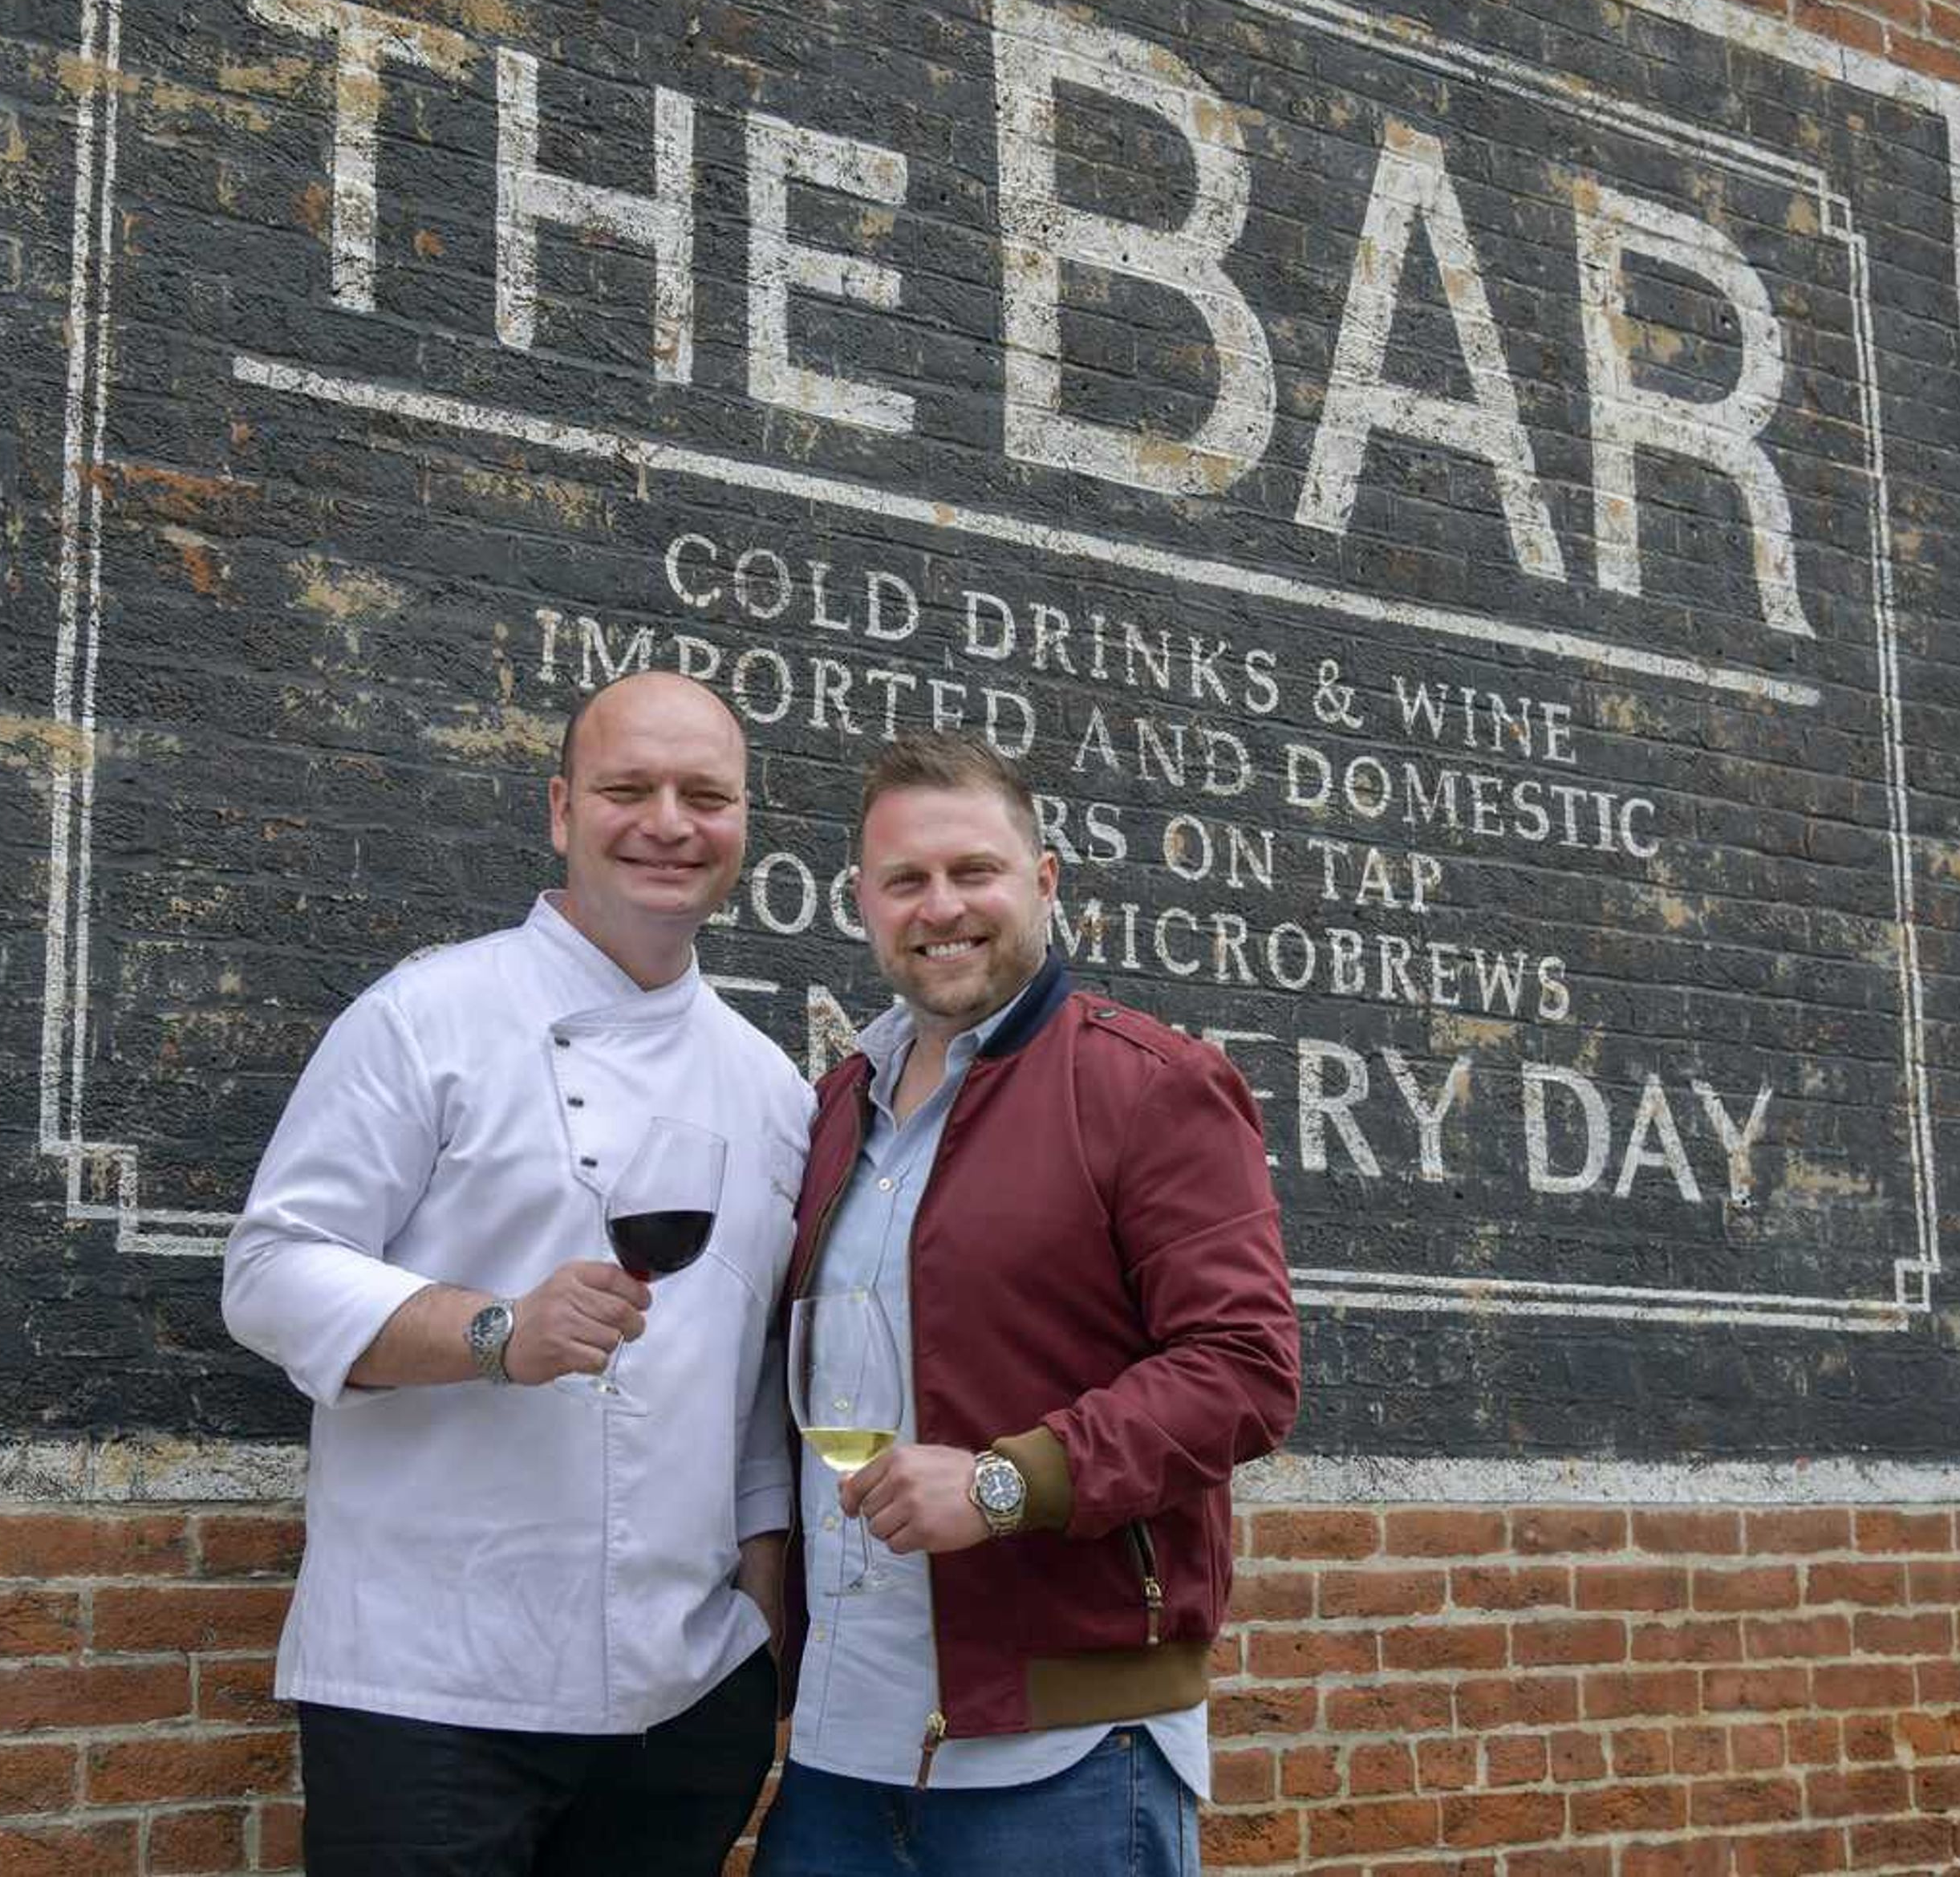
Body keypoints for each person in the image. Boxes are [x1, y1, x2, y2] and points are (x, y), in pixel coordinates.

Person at [221, 670, 810, 1877]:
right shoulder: (427, 1017)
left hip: (683, 1696)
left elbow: (756, 1373)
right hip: (430, 1687)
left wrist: (761, 1606)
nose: (667, 821)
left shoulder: (774, 1089)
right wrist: (496, 1330)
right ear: (559, 809)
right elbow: (271, 1272)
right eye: (625, 788)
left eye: (706, 794)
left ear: (744, 824)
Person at [753, 732, 1300, 1877]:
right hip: (843, 1756)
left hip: (1064, 1756)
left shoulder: (1150, 1086)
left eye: (975, 871)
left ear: (1044, 883)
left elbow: (1245, 1367)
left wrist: (1009, 1481)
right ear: (863, 902)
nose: (940, 905)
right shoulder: (833, 1109)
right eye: (906, 879)